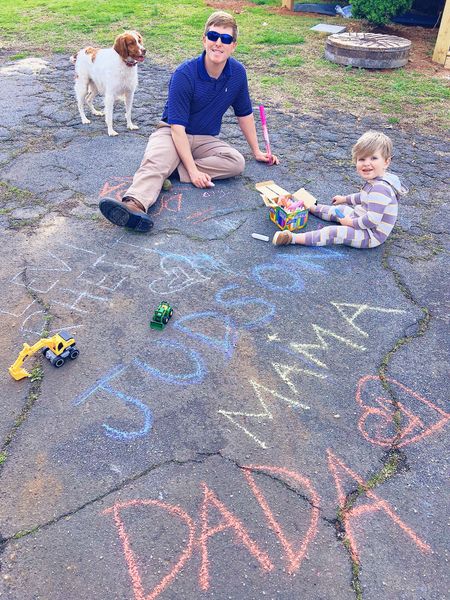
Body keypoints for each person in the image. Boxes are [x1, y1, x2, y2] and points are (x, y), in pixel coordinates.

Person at [99, 10, 278, 232]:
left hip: (204, 138)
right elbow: (177, 127)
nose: (218, 43)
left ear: (234, 45)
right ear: (204, 40)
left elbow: (244, 114)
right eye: (213, 37)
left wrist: (257, 151)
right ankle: (134, 205)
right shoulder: (185, 73)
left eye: (226, 39)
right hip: (172, 132)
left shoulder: (238, 73)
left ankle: (173, 169)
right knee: (156, 161)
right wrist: (193, 172)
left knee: (236, 162)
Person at [273, 130, 407, 248]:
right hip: (361, 218)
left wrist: (351, 223)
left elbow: (372, 220)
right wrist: (345, 199)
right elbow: (363, 197)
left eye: (374, 158)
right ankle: (311, 207)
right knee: (340, 210)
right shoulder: (377, 181)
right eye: (362, 159)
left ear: (386, 162)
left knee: (333, 232)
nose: (367, 163)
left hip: (371, 235)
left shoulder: (380, 188)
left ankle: (292, 238)